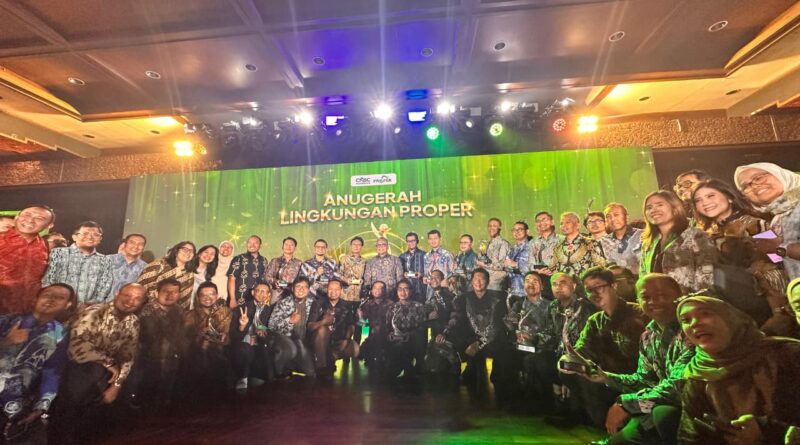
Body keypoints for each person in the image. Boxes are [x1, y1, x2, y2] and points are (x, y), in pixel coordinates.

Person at [576, 274, 694, 445]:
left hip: (690, 409)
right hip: (655, 401)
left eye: (661, 295)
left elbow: (679, 387)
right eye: (646, 297)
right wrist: (606, 377)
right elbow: (644, 379)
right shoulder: (649, 336)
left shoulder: (692, 330)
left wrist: (627, 404)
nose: (653, 302)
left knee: (663, 413)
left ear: (678, 297)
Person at [677, 296, 800, 445]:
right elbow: (690, 437)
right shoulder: (700, 375)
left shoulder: (787, 354)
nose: (694, 323)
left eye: (706, 314)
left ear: (731, 319)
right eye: (686, 320)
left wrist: (768, 432)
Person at [692, 178, 794, 335]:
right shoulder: (705, 235)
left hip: (765, 295)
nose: (705, 203)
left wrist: (779, 310)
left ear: (729, 198)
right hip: (729, 300)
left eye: (710, 196)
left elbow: (777, 261)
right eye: (698, 200)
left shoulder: (755, 224)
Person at [50, 283, 146, 444]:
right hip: (78, 368)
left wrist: (117, 385)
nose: (130, 301)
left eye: (137, 298)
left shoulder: (133, 321)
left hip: (104, 374)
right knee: (67, 420)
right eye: (127, 295)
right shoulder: (94, 313)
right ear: (117, 293)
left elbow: (128, 356)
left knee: (95, 420)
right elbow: (76, 349)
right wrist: (107, 363)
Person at [564, 267, 648, 428]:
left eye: (598, 287)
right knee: (572, 373)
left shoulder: (639, 314)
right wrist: (571, 358)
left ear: (613, 286)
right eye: (589, 290)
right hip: (607, 378)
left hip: (638, 379)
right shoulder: (595, 321)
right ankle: (602, 424)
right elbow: (583, 349)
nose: (594, 294)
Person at [0, 284, 75, 433]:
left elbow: (53, 371)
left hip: (14, 403)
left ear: (68, 305)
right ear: (36, 299)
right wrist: (6, 342)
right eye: (47, 295)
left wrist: (41, 406)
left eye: (60, 298)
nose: (51, 300)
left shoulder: (60, 334)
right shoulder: (7, 321)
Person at [437, 269, 516, 400]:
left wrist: (479, 343)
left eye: (482, 279)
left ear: (488, 281)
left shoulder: (498, 299)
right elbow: (457, 319)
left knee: (501, 350)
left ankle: (496, 385)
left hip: (492, 339)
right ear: (471, 281)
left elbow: (497, 326)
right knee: (446, 343)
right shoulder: (463, 299)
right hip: (470, 337)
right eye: (476, 279)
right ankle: (458, 377)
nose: (478, 282)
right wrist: (445, 332)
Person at [639, 190, 716, 294]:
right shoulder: (648, 243)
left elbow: (707, 277)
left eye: (659, 205)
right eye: (649, 207)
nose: (654, 210)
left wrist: (691, 301)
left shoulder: (696, 236)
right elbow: (643, 278)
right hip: (657, 301)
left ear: (674, 208)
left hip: (690, 301)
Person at [735, 162, 800, 281]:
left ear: (779, 174)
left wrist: (780, 247)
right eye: (745, 186)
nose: (754, 186)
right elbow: (782, 261)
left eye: (758, 178)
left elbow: (782, 250)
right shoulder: (777, 218)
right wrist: (762, 251)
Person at [125, 278, 184, 407]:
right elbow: (148, 338)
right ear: (157, 293)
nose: (170, 295)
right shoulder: (146, 311)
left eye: (174, 292)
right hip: (146, 359)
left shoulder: (179, 310)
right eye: (166, 291)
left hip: (169, 359)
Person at [505, 272, 557, 409]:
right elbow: (510, 324)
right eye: (528, 281)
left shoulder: (551, 306)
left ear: (542, 286)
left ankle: (542, 403)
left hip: (543, 347)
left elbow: (554, 331)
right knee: (504, 359)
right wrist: (515, 331)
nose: (531, 284)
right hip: (521, 345)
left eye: (535, 281)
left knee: (535, 361)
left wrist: (534, 337)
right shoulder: (518, 304)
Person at [42, 221, 113, 306]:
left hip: (87, 308)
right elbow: (48, 279)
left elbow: (105, 285)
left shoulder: (105, 260)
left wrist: (91, 304)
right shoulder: (58, 253)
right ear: (74, 237)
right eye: (85, 234)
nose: (90, 237)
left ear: (100, 239)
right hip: (57, 305)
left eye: (96, 235)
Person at [0, 205, 55, 314]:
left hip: (28, 312)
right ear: (17, 217)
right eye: (27, 215)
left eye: (39, 218)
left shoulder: (45, 246)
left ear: (49, 225)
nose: (30, 220)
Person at [182, 282, 231, 397]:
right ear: (198, 297)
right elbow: (183, 338)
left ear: (217, 295)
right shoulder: (189, 315)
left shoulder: (225, 312)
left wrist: (224, 336)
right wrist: (198, 333)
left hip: (218, 352)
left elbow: (228, 337)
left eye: (211, 294)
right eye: (203, 295)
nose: (207, 298)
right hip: (196, 354)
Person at [267, 277, 318, 378]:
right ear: (292, 288)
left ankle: (290, 365)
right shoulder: (283, 303)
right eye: (298, 286)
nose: (301, 289)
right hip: (284, 338)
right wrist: (289, 321)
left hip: (303, 341)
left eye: (304, 287)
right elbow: (271, 326)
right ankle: (278, 372)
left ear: (308, 290)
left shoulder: (313, 303)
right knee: (291, 349)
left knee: (310, 371)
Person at [309, 279, 359, 378]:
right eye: (330, 289)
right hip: (319, 341)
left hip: (336, 340)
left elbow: (351, 325)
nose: (333, 292)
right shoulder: (318, 303)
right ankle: (322, 367)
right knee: (322, 330)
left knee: (355, 348)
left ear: (341, 291)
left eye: (336, 289)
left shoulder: (347, 305)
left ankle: (331, 359)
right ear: (326, 290)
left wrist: (347, 337)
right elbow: (310, 327)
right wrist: (323, 322)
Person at [230, 282, 275, 390]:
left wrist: (264, 332)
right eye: (258, 291)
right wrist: (242, 326)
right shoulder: (241, 309)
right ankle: (242, 378)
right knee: (246, 349)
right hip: (242, 345)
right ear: (253, 292)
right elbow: (233, 335)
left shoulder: (271, 311)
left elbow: (272, 332)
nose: (261, 294)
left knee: (263, 380)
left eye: (264, 292)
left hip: (259, 345)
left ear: (268, 295)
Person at [384, 280, 426, 382]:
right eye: (400, 289)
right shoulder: (392, 307)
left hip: (413, 338)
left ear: (411, 291)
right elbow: (387, 326)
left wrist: (409, 335)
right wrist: (390, 334)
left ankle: (410, 370)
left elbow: (422, 326)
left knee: (403, 345)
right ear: (396, 291)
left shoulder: (418, 306)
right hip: (396, 337)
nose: (403, 292)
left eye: (406, 289)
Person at [137, 241, 196, 308]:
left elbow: (185, 299)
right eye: (185, 249)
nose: (188, 252)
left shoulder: (189, 274)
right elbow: (141, 285)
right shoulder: (159, 264)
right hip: (147, 307)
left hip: (172, 311)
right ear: (176, 251)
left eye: (191, 251)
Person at [549, 212, 606, 277]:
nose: (564, 226)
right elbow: (552, 267)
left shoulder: (590, 242)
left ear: (577, 225)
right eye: (561, 223)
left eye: (567, 222)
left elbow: (602, 265)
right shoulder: (558, 246)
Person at [338, 236, 367, 344]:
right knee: (344, 324)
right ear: (350, 246)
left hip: (359, 298)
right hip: (345, 296)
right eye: (354, 244)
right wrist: (346, 280)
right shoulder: (343, 259)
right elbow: (337, 274)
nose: (356, 246)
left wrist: (363, 281)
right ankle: (343, 349)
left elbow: (366, 277)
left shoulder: (364, 261)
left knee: (359, 324)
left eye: (359, 245)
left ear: (362, 247)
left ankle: (356, 347)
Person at [358, 281, 393, 369]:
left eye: (380, 288)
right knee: (360, 351)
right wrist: (360, 316)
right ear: (371, 290)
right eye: (375, 288)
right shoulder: (367, 304)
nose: (377, 290)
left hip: (387, 335)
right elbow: (362, 324)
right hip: (372, 336)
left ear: (384, 291)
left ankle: (380, 358)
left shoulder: (391, 304)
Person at [601, 203, 643, 275]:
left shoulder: (641, 235)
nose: (613, 219)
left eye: (616, 215)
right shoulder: (604, 241)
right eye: (608, 216)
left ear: (626, 217)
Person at [227, 235, 267, 307]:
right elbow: (231, 279)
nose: (252, 245)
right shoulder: (239, 258)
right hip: (238, 300)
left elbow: (265, 280)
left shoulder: (264, 260)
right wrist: (232, 299)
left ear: (260, 246)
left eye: (255, 243)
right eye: (249, 243)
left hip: (256, 301)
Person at [476, 218, 511, 291]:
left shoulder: (503, 244)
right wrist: (480, 257)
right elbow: (486, 261)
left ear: (499, 228)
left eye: (494, 226)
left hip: (495, 284)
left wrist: (483, 264)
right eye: (490, 226)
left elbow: (502, 266)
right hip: (486, 282)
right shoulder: (487, 244)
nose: (491, 228)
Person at [265, 237, 304, 302]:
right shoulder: (275, 261)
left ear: (295, 248)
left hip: (292, 294)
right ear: (282, 247)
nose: (288, 247)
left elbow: (301, 279)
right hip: (276, 294)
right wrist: (276, 282)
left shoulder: (299, 263)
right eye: (286, 244)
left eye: (291, 245)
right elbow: (267, 276)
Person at [108, 234, 147, 298]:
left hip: (127, 303)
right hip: (101, 302)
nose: (136, 246)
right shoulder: (107, 260)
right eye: (132, 242)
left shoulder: (145, 268)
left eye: (140, 244)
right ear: (125, 244)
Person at [423, 270, 455, 339]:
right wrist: (428, 314)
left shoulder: (449, 293)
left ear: (442, 280)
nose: (434, 279)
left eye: (437, 277)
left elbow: (451, 311)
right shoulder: (429, 293)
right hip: (431, 328)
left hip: (447, 329)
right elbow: (425, 310)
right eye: (432, 278)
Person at [506, 221, 532, 297]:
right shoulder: (513, 249)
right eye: (514, 230)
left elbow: (534, 268)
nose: (516, 232)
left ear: (527, 231)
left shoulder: (532, 246)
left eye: (520, 229)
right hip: (513, 291)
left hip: (527, 292)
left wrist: (515, 264)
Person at [398, 232, 426, 302]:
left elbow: (429, 272)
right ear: (406, 242)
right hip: (406, 291)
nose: (411, 243)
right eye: (409, 241)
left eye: (413, 241)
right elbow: (401, 273)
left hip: (421, 289)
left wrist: (422, 274)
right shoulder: (402, 257)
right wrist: (404, 274)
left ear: (417, 241)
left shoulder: (424, 255)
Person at [211, 240, 235, 304]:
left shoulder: (235, 263)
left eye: (229, 247)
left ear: (232, 250)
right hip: (210, 296)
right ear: (219, 248)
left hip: (227, 299)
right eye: (223, 246)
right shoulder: (212, 261)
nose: (226, 248)